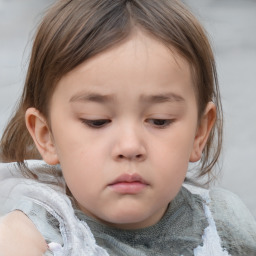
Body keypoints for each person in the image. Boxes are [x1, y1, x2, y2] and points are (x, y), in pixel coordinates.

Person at [0, 0, 255, 255]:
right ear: (46, 136)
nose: (130, 146)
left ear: (199, 133)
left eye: (160, 120)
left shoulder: (224, 226)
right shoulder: (27, 241)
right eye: (97, 121)